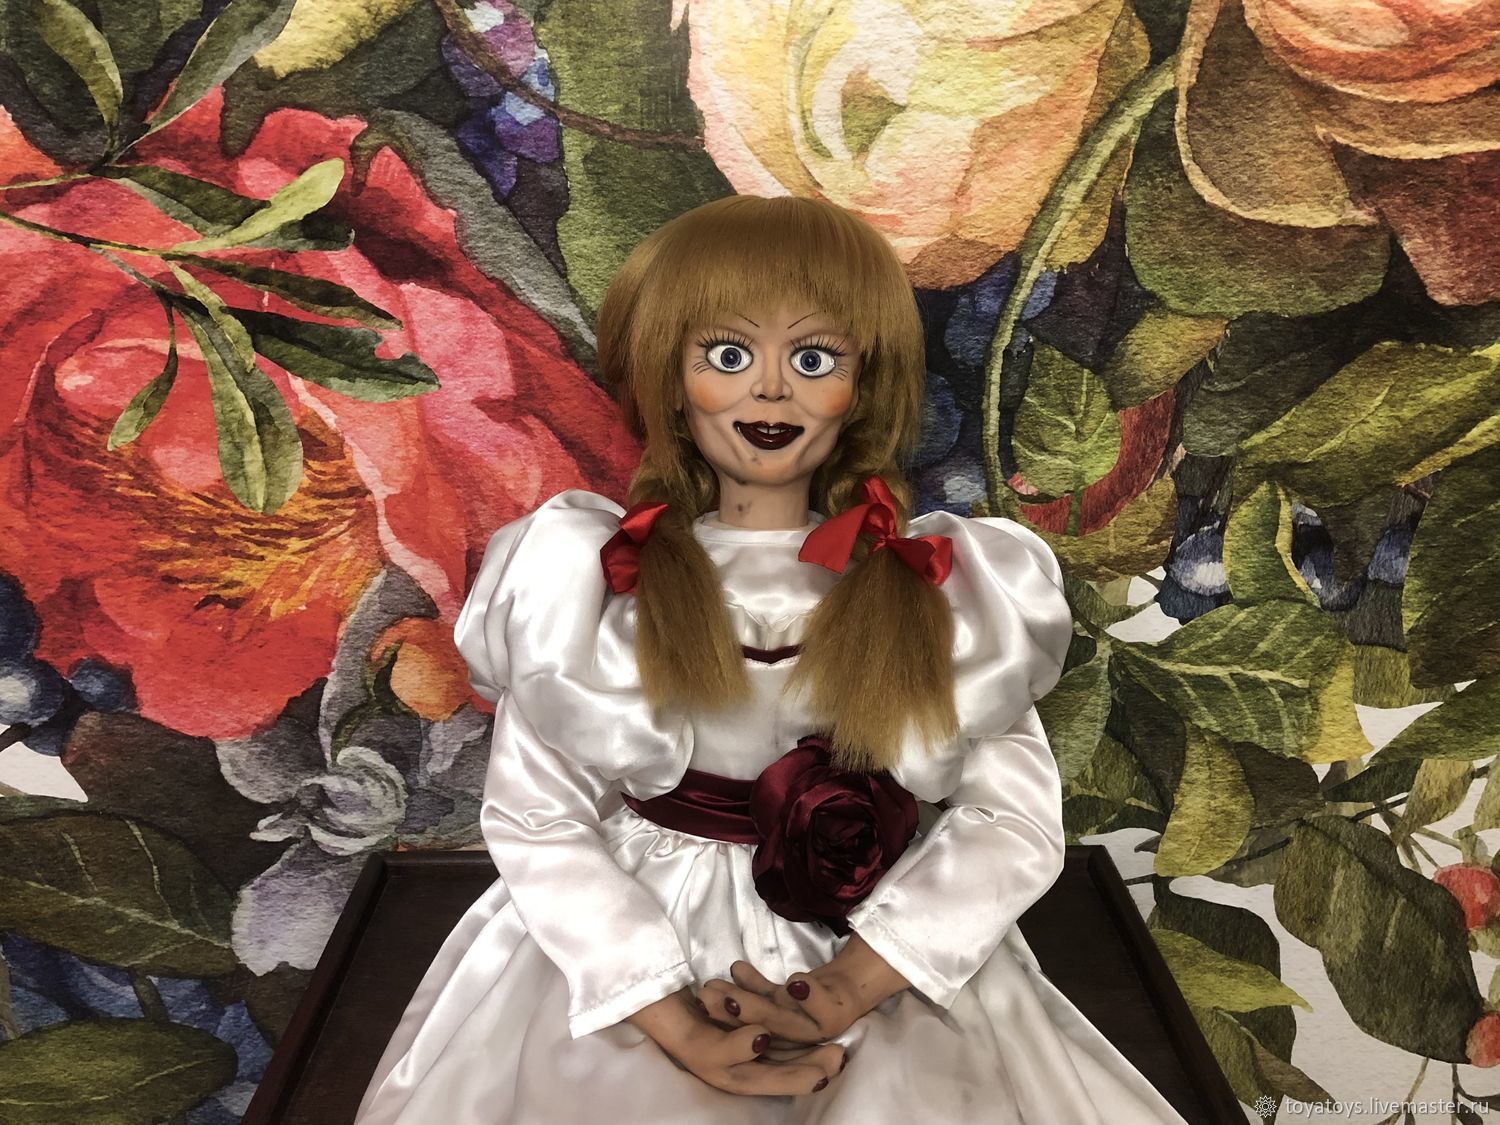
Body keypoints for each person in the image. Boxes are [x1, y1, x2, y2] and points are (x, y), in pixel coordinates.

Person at [354, 195, 1191, 1123]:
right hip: (639, 940)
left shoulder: (934, 588)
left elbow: (1011, 819)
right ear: (672, 379)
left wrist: (850, 984)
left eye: (814, 358)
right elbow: (537, 816)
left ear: (861, 385)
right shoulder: (594, 583)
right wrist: (670, 1016)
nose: (771, 390)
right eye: (726, 355)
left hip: (873, 944)